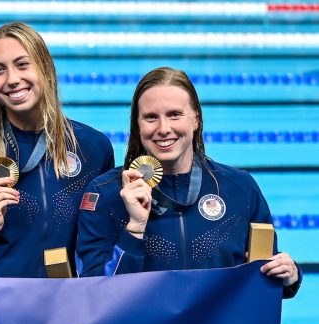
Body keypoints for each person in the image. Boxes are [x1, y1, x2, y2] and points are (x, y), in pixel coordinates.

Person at [76, 67, 301, 297]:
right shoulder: (106, 194)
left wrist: (290, 275)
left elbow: (263, 273)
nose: (164, 129)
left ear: (196, 119)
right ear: (137, 125)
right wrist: (134, 228)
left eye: (175, 114)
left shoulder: (239, 188)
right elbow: (93, 295)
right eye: (151, 117)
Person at [0, 22, 114, 277]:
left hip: (66, 309)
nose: (12, 80)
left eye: (22, 64)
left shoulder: (93, 148)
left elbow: (103, 245)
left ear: (46, 67)